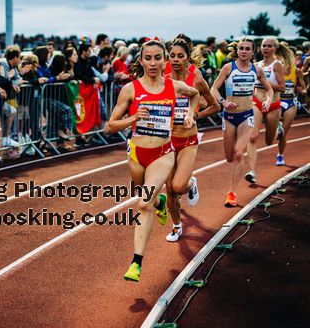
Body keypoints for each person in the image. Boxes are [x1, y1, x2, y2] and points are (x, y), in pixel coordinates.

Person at [104, 38, 199, 282]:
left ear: (164, 60)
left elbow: (196, 94)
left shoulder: (174, 86)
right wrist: (133, 118)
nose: (153, 63)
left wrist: (190, 114)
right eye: (148, 58)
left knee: (143, 204)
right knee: (148, 198)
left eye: (158, 58)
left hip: (162, 154)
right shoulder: (131, 89)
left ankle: (136, 263)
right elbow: (110, 126)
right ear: (141, 61)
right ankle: (160, 204)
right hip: (136, 154)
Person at [164, 38, 220, 242]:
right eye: (172, 56)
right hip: (167, 141)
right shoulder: (163, 78)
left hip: (188, 140)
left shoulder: (195, 79)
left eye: (180, 56)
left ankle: (191, 183)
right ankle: (177, 227)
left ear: (188, 58)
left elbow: (215, 107)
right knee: (169, 188)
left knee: (179, 186)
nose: (176, 59)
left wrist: (195, 115)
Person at [210, 38, 273, 207]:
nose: (244, 51)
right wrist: (223, 102)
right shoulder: (228, 68)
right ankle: (237, 167)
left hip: (247, 115)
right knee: (229, 156)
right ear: (237, 51)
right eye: (241, 48)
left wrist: (268, 100)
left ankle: (232, 193)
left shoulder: (256, 70)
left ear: (253, 52)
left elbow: (269, 88)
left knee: (239, 153)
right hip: (229, 117)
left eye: (247, 49)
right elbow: (213, 88)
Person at [245, 37, 285, 184]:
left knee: (269, 141)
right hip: (256, 103)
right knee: (253, 136)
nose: (266, 48)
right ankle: (252, 172)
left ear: (275, 48)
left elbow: (282, 87)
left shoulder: (277, 65)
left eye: (269, 46)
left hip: (273, 105)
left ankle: (278, 129)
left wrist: (265, 82)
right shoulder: (256, 65)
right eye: (264, 46)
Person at [276, 44, 307, 165]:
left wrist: (302, 90)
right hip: (277, 102)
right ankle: (276, 126)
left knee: (283, 133)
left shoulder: (297, 71)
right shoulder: (275, 69)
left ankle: (280, 155)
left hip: (290, 102)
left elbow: (304, 88)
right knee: (276, 129)